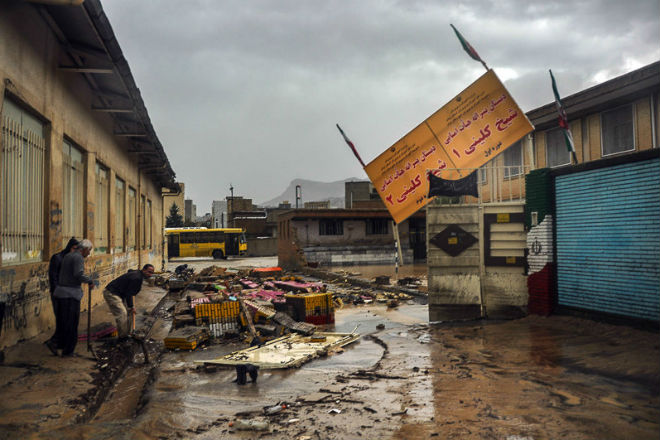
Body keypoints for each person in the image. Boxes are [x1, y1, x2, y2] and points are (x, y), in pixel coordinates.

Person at [52, 239, 94, 357]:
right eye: (89, 250)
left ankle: (59, 345)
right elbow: (78, 274)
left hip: (61, 293)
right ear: (84, 249)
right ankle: (68, 350)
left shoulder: (68, 256)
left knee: (64, 322)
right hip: (70, 295)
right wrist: (89, 280)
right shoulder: (78, 258)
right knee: (72, 323)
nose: (89, 253)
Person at [45, 237, 79, 356]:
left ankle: (60, 344)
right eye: (74, 248)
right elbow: (53, 277)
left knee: (66, 321)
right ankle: (54, 342)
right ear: (70, 247)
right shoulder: (57, 258)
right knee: (62, 320)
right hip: (59, 295)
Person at [103, 264, 155, 340]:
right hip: (111, 293)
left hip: (120, 294)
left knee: (130, 312)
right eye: (149, 272)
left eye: (152, 273)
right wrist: (131, 306)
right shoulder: (137, 278)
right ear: (143, 270)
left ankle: (129, 333)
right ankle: (123, 337)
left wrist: (131, 308)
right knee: (122, 313)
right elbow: (129, 294)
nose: (150, 275)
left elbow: (129, 271)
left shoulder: (138, 274)